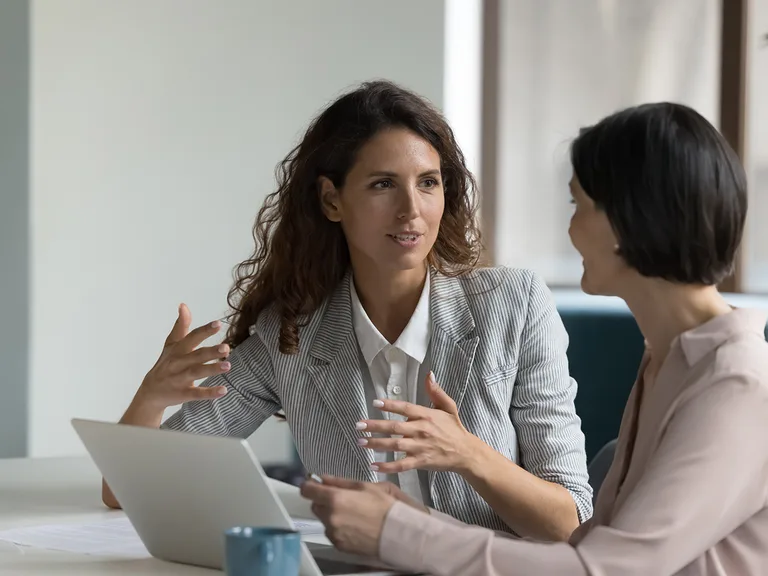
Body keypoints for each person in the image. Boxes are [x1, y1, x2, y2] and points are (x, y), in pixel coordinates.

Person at [102, 80, 593, 540]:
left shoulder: (513, 305)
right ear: (332, 200)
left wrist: (471, 457)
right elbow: (126, 491)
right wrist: (152, 396)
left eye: (428, 183)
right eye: (383, 185)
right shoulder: (290, 336)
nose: (411, 210)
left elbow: (572, 521)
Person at [300, 102, 768, 575]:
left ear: (629, 222)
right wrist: (409, 518)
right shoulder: (667, 361)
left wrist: (397, 532)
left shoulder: (737, 384)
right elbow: (588, 546)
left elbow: (606, 569)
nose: (570, 229)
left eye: (578, 206)